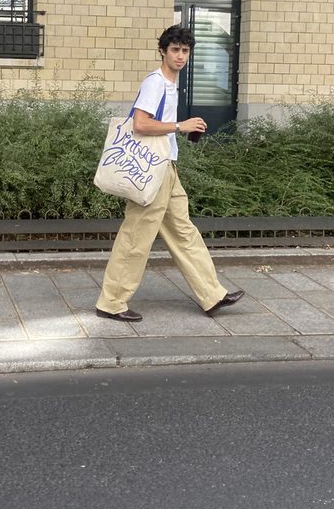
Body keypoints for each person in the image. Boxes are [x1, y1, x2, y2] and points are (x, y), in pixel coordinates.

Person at [95, 24, 244, 322]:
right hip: (152, 172)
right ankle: (111, 302)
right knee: (136, 237)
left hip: (166, 169)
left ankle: (211, 294)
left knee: (184, 231)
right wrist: (180, 126)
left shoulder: (171, 83)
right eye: (175, 50)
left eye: (185, 51)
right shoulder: (156, 83)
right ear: (163, 51)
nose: (180, 56)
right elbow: (140, 124)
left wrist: (182, 129)